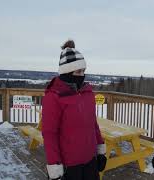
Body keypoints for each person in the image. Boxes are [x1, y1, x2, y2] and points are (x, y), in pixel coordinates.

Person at [42, 40, 107, 180]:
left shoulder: (87, 93)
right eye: (78, 71)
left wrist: (100, 150)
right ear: (67, 72)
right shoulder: (54, 97)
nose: (82, 75)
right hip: (69, 165)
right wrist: (55, 166)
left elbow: (93, 124)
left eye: (84, 71)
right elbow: (50, 134)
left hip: (90, 160)